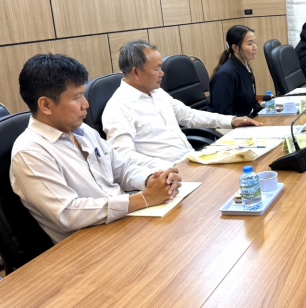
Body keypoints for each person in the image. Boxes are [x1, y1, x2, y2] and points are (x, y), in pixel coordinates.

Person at [10, 54, 182, 244]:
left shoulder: (82, 130)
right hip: (90, 245)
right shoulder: (30, 152)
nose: (86, 104)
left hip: (124, 225)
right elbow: (68, 213)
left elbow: (122, 168)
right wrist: (144, 199)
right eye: (77, 97)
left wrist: (152, 179)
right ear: (46, 105)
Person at [102, 40, 260, 170]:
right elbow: (123, 155)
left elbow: (189, 115)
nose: (162, 73)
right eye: (157, 69)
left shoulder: (157, 92)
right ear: (136, 72)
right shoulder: (119, 107)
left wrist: (231, 120)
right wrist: (169, 167)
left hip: (190, 161)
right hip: (165, 174)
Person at [209, 25, 262, 117]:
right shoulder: (226, 74)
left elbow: (251, 101)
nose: (255, 48)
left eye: (255, 43)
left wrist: (265, 112)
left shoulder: (245, 66)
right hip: (233, 123)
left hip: (247, 118)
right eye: (250, 44)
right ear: (235, 48)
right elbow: (224, 114)